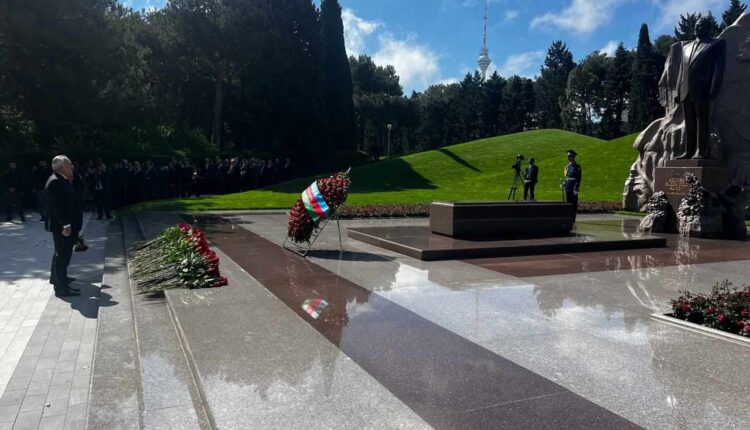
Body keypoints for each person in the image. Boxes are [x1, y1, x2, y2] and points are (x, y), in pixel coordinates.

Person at [45, 155, 83, 297]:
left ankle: (57, 278)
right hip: (62, 226)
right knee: (62, 256)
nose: (72, 167)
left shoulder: (62, 179)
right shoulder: (56, 182)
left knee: (60, 254)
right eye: (69, 165)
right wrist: (66, 225)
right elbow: (57, 207)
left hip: (64, 225)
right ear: (61, 167)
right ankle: (61, 288)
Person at [563, 150, 582, 221]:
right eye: (567, 156)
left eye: (569, 156)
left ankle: (573, 220)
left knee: (574, 204)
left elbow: (579, 178)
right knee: (568, 204)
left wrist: (576, 187)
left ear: (573, 157)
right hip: (568, 187)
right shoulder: (567, 166)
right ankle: (568, 219)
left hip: (573, 188)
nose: (568, 157)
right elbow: (567, 177)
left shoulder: (577, 166)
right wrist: (564, 183)